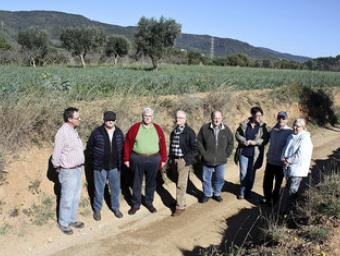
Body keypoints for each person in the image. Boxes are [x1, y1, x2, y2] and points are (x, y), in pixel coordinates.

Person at [123, 107, 167, 215]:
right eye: (145, 116)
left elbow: (163, 144)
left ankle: (149, 202)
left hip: (154, 159)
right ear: (142, 117)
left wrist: (164, 159)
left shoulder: (157, 128)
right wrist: (126, 158)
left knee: (151, 183)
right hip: (138, 158)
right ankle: (136, 204)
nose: (147, 118)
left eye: (150, 116)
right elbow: (127, 144)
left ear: (153, 117)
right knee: (136, 182)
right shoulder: (135, 128)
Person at [52, 107, 85, 235]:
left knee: (75, 197)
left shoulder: (73, 131)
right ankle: (63, 223)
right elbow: (56, 155)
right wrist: (59, 168)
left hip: (77, 169)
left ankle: (72, 219)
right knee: (67, 198)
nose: (79, 119)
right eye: (77, 118)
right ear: (69, 119)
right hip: (68, 171)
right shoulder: (62, 133)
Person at [87, 111, 125, 221]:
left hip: (114, 166)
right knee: (99, 189)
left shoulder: (118, 132)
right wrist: (95, 160)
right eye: (108, 120)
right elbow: (90, 148)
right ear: (104, 120)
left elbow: (122, 148)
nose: (110, 122)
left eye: (112, 120)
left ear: (115, 121)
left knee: (115, 189)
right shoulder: (97, 132)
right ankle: (97, 210)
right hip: (100, 166)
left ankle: (115, 208)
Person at [197, 111, 234, 203]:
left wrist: (226, 154)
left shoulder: (226, 129)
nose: (216, 119)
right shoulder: (205, 128)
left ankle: (217, 193)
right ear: (211, 118)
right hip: (207, 159)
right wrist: (204, 154)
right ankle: (207, 194)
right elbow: (199, 142)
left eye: (218, 117)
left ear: (222, 118)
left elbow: (231, 143)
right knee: (206, 179)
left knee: (220, 179)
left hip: (221, 160)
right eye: (215, 117)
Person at [169, 110, 199, 216]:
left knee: (181, 184)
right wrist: (171, 159)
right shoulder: (175, 131)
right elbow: (172, 146)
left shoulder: (189, 132)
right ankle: (180, 201)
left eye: (180, 118)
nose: (178, 119)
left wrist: (187, 159)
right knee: (178, 182)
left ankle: (180, 207)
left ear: (185, 120)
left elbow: (195, 148)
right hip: (175, 160)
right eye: (177, 117)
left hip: (183, 160)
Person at [235, 106, 269, 199]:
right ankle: (242, 191)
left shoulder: (262, 127)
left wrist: (255, 142)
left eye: (260, 115)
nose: (259, 117)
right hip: (243, 153)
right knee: (243, 174)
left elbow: (265, 139)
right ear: (252, 115)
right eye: (257, 115)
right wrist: (244, 141)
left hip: (255, 155)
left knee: (251, 174)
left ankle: (248, 191)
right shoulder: (244, 124)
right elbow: (237, 135)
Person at [281, 118, 313, 213]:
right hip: (288, 168)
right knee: (289, 188)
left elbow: (300, 155)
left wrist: (288, 161)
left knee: (292, 191)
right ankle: (293, 209)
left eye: (297, 126)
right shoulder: (291, 136)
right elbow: (285, 148)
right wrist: (282, 158)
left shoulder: (305, 138)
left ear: (303, 127)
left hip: (297, 169)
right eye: (294, 125)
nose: (295, 127)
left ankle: (289, 212)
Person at [261, 111, 293, 205]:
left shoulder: (289, 132)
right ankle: (267, 198)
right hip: (270, 161)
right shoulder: (274, 130)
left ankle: (274, 201)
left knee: (278, 184)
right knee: (267, 183)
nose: (281, 120)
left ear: (287, 119)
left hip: (280, 162)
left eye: (283, 118)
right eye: (279, 118)